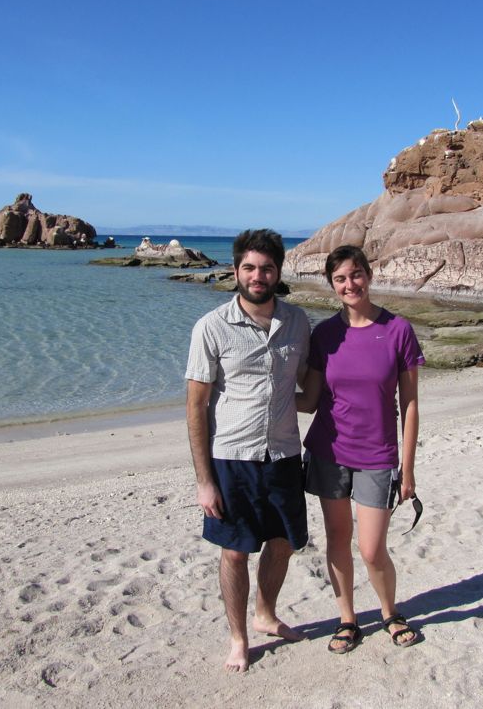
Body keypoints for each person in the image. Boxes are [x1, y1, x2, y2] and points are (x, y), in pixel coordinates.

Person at [185, 228, 311, 671]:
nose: (258, 276)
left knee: (282, 544)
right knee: (235, 551)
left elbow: (309, 387)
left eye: (267, 268)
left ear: (279, 272)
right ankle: (238, 638)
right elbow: (196, 406)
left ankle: (265, 615)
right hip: (232, 458)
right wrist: (204, 481)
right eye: (250, 268)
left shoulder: (298, 321)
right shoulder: (211, 327)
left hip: (282, 455)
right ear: (236, 270)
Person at [297, 244, 424, 653]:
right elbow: (310, 400)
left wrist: (407, 469)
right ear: (331, 285)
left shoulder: (398, 330)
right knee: (337, 539)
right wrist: (267, 389)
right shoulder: (325, 334)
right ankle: (347, 618)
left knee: (371, 549)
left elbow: (410, 404)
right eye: (339, 279)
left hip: (377, 455)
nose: (349, 284)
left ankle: (389, 612)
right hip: (327, 452)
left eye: (355, 275)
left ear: (368, 275)